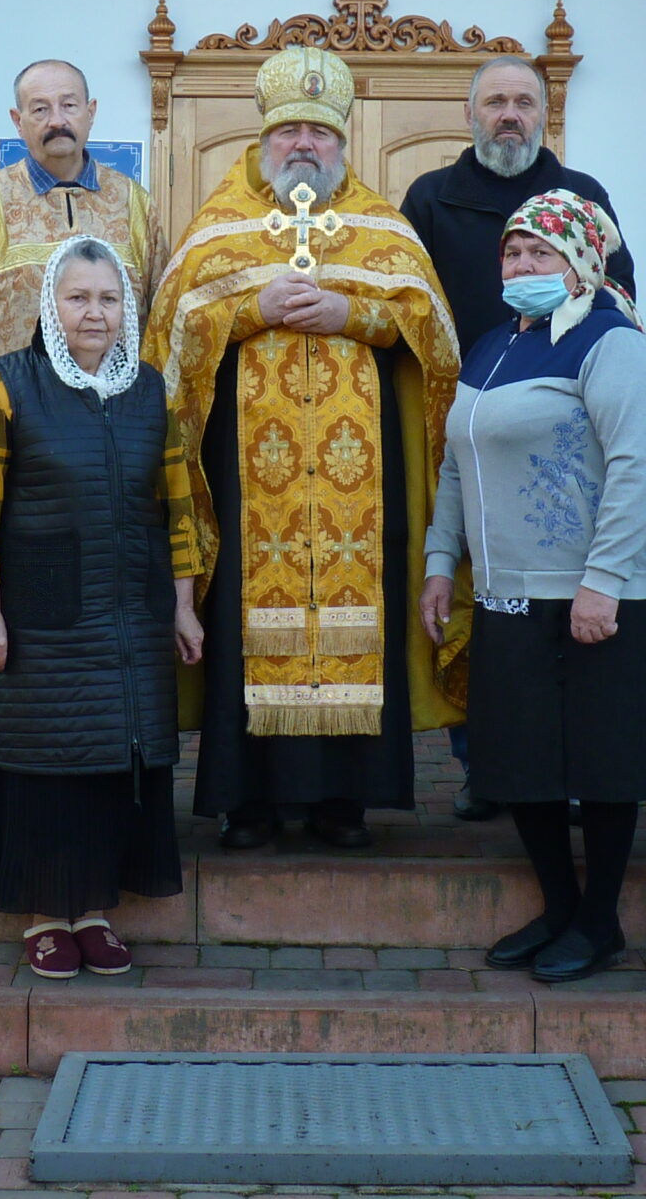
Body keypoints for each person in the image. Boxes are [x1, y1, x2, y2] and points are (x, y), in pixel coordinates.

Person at [145, 45, 463, 851]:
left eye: (319, 134)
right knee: (244, 620)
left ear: (342, 143)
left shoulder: (380, 226)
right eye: (288, 130)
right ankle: (246, 801)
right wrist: (248, 308)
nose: (302, 147)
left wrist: (352, 314)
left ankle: (342, 803)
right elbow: (175, 335)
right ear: (263, 137)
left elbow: (432, 332)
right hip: (249, 478)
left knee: (363, 617)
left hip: (363, 483)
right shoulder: (218, 227)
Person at [0, 237, 206, 979]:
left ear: (128, 309)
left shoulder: (151, 390)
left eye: (109, 298)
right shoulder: (8, 387)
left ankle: (92, 909)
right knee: (43, 762)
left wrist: (183, 606)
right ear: (50, 307)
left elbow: (178, 510)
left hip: (133, 611)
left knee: (111, 763)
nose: (95, 313)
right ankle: (42, 915)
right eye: (79, 298)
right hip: (41, 615)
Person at [421, 191, 646, 983]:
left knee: (599, 761)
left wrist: (604, 581)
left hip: (590, 589)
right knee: (519, 759)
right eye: (513, 254)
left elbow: (636, 466)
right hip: (504, 590)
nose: (523, 266)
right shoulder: (490, 345)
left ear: (582, 260)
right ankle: (559, 907)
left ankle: (600, 922)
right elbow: (458, 462)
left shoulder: (610, 339)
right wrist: (439, 562)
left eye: (541, 254)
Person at [401, 56, 635, 820]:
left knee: (550, 604)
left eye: (523, 102)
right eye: (496, 101)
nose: (510, 114)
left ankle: (563, 767)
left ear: (544, 113)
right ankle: (482, 761)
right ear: (471, 114)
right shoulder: (431, 199)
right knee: (479, 597)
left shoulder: (585, 198)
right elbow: (406, 300)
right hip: (465, 405)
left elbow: (620, 296)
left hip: (560, 415)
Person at [0, 60, 163, 756]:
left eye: (67, 105)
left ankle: (108, 761)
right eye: (38, 107)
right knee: (4, 601)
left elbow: (163, 320)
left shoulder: (134, 205)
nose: (56, 119)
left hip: (113, 450)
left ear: (91, 110)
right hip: (9, 444)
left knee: (104, 597)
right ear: (16, 121)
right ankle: (1, 770)